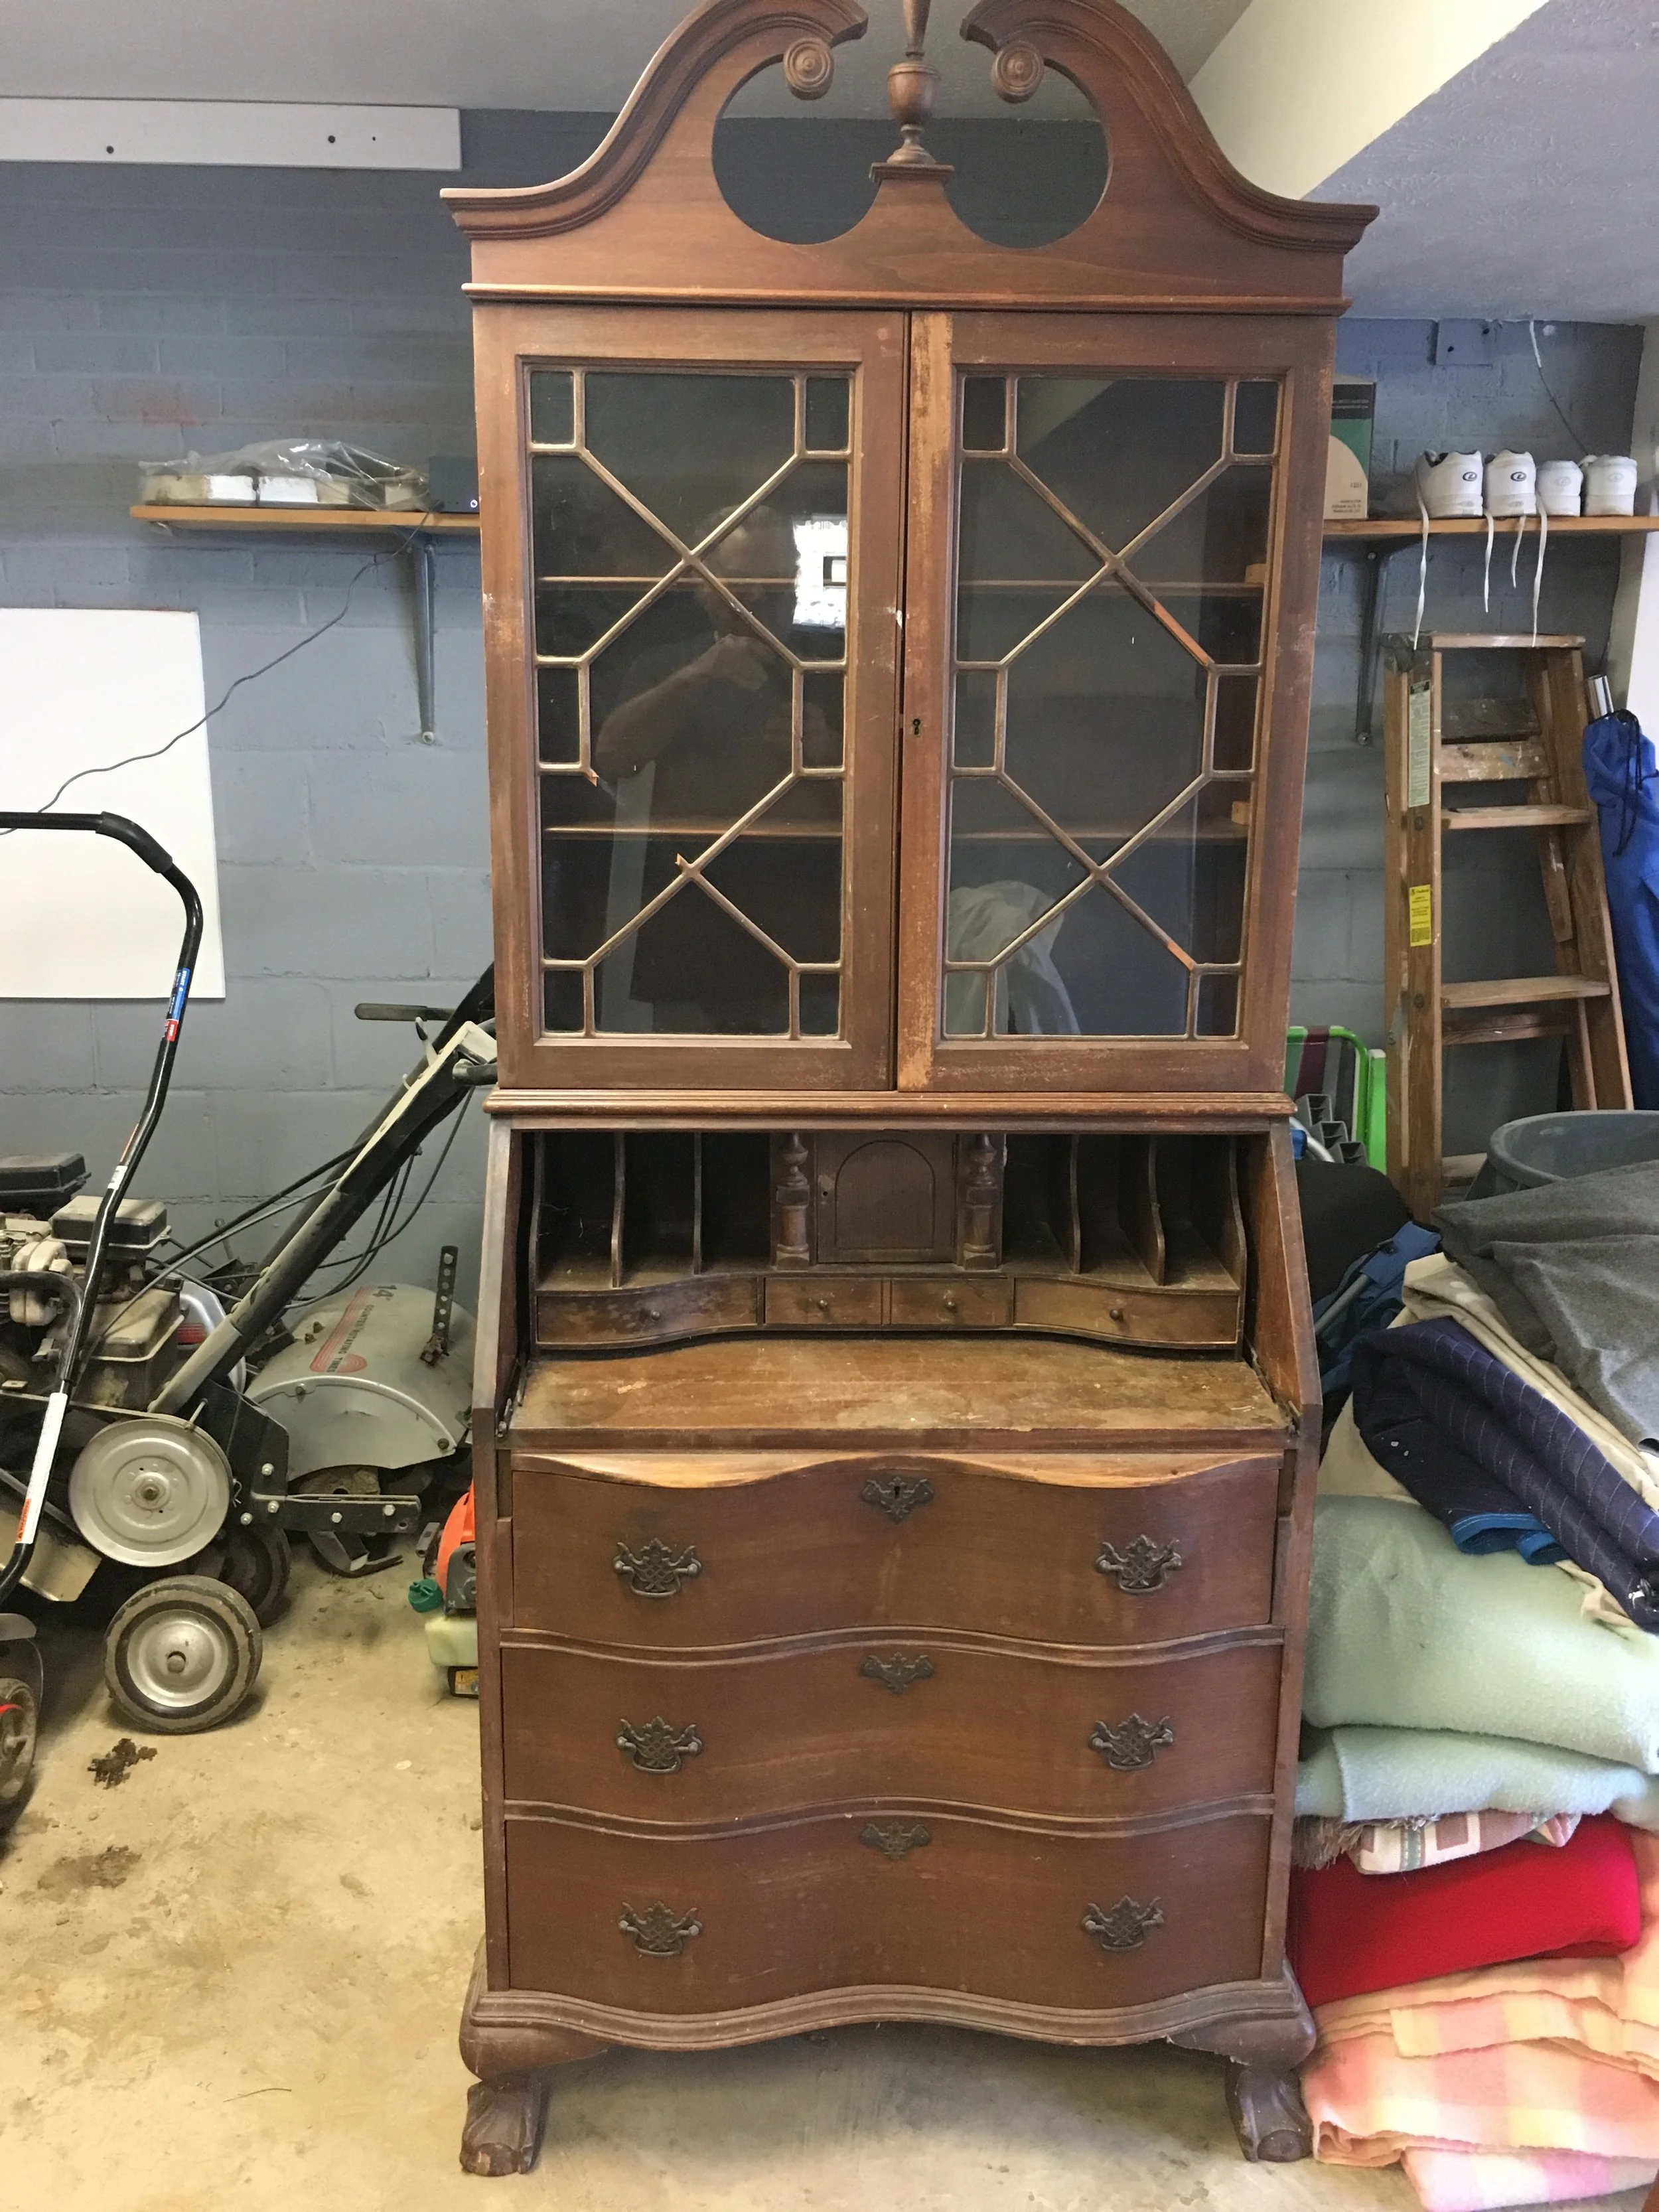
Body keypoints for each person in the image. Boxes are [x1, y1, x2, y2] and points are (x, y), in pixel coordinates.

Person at [591, 505, 841, 1033]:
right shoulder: (666, 667)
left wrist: (829, 751)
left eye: (773, 583)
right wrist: (696, 677)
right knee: (691, 1109)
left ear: (796, 586)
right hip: (692, 932)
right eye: (738, 586)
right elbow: (611, 758)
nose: (756, 600)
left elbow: (900, 804)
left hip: (814, 934)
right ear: (703, 590)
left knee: (814, 1106)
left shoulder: (841, 669)